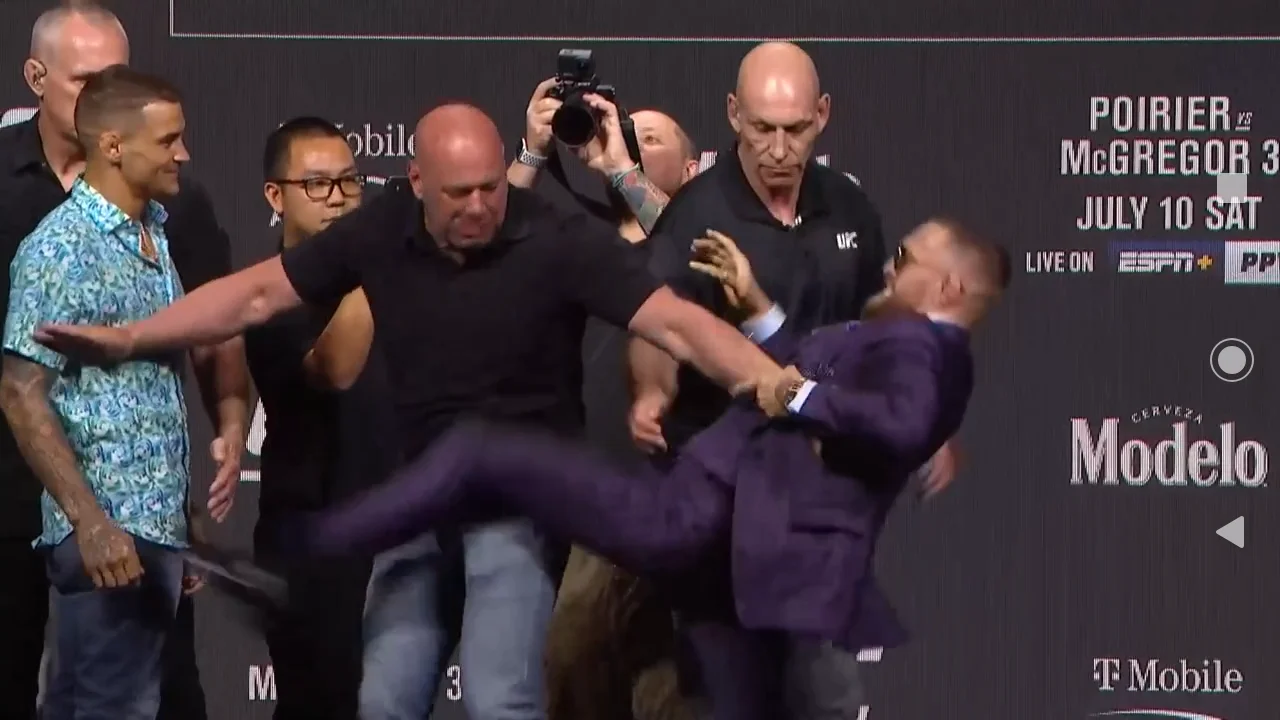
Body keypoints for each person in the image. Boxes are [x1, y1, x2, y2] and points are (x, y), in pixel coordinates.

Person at [31, 102, 786, 720]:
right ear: (416, 180)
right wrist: (132, 337)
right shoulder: (381, 228)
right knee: (386, 700)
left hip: (518, 510)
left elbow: (674, 322)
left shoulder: (557, 239)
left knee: (499, 698)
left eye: (490, 187)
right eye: (458, 194)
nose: (480, 206)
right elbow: (256, 295)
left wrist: (769, 377)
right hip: (420, 503)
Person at [289, 218, 1009, 720]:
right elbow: (816, 374)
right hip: (734, 566)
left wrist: (799, 397)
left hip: (700, 519)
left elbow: (899, 422)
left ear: (949, 289)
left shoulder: (925, 349)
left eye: (906, 257)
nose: (889, 265)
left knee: (482, 451)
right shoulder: (906, 343)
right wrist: (762, 314)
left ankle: (307, 553)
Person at [626, 40, 958, 717]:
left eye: (796, 129)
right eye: (762, 128)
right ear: (733, 115)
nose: (779, 148)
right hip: (721, 479)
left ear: (823, 116)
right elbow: (659, 320)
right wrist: (652, 391)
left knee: (823, 690)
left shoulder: (850, 210)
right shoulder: (697, 214)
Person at [0, 5, 249, 719]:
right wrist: (89, 520)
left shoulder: (160, 226)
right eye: (169, 140)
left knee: (114, 700)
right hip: (73, 512)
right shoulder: (63, 245)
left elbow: (204, 339)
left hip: (136, 518)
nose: (184, 154)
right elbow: (20, 390)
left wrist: (184, 492)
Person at [510, 80, 701, 720]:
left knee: (670, 683)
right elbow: (485, 235)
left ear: (693, 169)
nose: (630, 142)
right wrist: (534, 152)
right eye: (626, 131)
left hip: (680, 491)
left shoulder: (706, 239)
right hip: (591, 492)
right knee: (575, 662)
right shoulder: (577, 238)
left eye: (650, 138)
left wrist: (620, 169)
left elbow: (686, 248)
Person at [245, 116, 396, 719]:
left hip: (395, 530)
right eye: (316, 184)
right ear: (275, 196)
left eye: (349, 181)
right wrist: (370, 261)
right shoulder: (266, 297)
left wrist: (530, 155)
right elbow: (335, 369)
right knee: (320, 705)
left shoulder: (387, 275)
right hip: (313, 543)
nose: (337, 197)